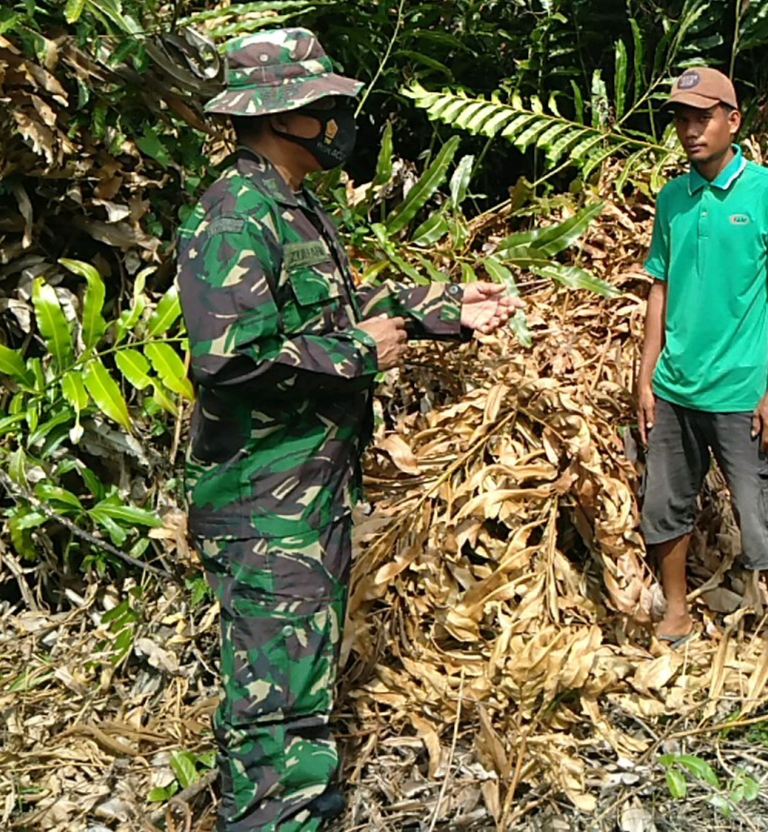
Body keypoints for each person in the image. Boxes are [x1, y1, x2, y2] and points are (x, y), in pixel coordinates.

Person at [176, 28, 522, 832]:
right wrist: (358, 353)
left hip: (308, 491)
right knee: (275, 706)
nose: (339, 121)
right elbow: (227, 358)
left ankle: (302, 809)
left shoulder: (290, 204)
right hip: (264, 504)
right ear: (281, 116)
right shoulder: (234, 215)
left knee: (299, 686)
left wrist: (442, 308)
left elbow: (330, 313)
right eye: (325, 105)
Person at [638, 67, 768, 663]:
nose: (691, 130)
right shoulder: (672, 198)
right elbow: (659, 287)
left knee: (765, 516)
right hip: (676, 388)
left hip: (742, 393)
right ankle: (676, 609)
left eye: (702, 118)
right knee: (664, 505)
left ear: (732, 121)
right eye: (682, 119)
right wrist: (646, 376)